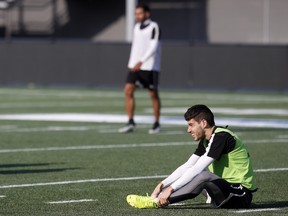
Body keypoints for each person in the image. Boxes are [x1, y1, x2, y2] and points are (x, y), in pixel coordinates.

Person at [127, 104, 257, 209]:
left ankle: (155, 202)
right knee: (194, 170)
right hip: (225, 191)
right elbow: (188, 165)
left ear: (204, 123)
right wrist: (162, 184)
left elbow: (198, 169)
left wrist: (170, 190)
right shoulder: (207, 139)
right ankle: (156, 197)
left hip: (240, 194)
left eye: (191, 125)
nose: (188, 130)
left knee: (202, 174)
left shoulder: (221, 137)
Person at [118, 4, 161, 134]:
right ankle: (130, 121)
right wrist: (132, 63)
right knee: (128, 90)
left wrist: (142, 61)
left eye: (140, 13)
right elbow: (136, 47)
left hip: (150, 66)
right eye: (136, 14)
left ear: (147, 14)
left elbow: (153, 47)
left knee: (153, 94)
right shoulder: (136, 27)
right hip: (135, 66)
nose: (137, 16)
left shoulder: (154, 27)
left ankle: (156, 123)